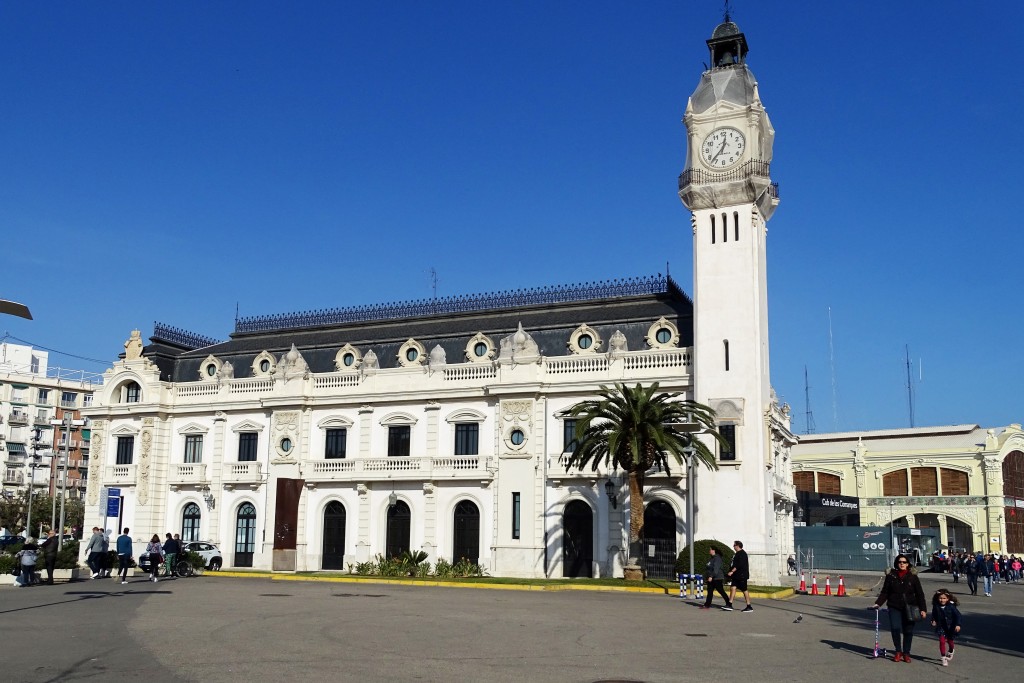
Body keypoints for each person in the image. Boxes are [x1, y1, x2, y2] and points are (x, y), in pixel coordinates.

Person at [872, 554, 928, 663]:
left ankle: (906, 653)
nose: (902, 564)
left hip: (910, 607)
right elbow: (885, 592)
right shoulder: (891, 576)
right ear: (896, 563)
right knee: (895, 628)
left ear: (908, 564)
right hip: (894, 606)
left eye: (904, 562)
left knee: (908, 631)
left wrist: (923, 609)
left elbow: (920, 594)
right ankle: (898, 651)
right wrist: (878, 603)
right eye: (900, 562)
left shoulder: (913, 576)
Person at [930, 588, 962, 666]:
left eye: (944, 598)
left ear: (948, 598)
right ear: (937, 598)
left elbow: (958, 615)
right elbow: (934, 614)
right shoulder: (936, 606)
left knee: (950, 641)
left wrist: (958, 624)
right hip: (941, 626)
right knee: (942, 641)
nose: (942, 600)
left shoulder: (951, 606)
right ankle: (943, 657)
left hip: (950, 626)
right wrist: (933, 620)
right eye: (940, 598)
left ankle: (951, 650)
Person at [699, 546, 730, 610]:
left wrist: (711, 576)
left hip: (717, 578)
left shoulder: (717, 558)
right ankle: (707, 605)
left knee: (721, 591)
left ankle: (729, 603)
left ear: (714, 550)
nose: (709, 551)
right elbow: (709, 568)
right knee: (710, 591)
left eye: (710, 549)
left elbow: (716, 569)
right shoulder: (712, 558)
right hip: (711, 578)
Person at [726, 540, 753, 612]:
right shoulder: (737, 554)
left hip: (742, 575)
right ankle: (729, 604)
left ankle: (749, 606)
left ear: (738, 546)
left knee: (744, 590)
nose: (733, 546)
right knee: (733, 587)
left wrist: (732, 571)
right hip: (736, 575)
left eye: (734, 545)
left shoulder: (742, 554)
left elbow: (739, 565)